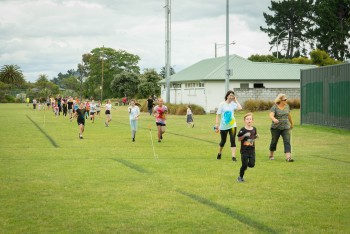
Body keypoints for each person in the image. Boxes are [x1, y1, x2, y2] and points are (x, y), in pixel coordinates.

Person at [215, 90, 242, 161]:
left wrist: (236, 100)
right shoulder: (222, 104)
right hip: (223, 126)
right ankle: (219, 153)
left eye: (232, 95)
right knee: (223, 141)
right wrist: (217, 125)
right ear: (227, 96)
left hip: (232, 125)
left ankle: (233, 157)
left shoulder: (233, 104)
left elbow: (240, 108)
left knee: (233, 140)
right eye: (230, 95)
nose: (231, 96)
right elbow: (218, 115)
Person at [269, 93, 294, 162]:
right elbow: (271, 115)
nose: (286, 101)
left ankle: (288, 158)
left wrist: (291, 123)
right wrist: (274, 119)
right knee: (274, 141)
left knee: (287, 141)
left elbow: (288, 115)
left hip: (286, 127)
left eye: (286, 99)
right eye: (284, 100)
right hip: (275, 128)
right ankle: (271, 154)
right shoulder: (275, 107)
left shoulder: (287, 106)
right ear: (280, 100)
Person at [237, 113, 258, 182]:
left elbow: (253, 137)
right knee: (244, 165)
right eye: (247, 119)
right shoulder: (242, 129)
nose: (249, 120)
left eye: (250, 119)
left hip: (252, 150)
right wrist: (244, 135)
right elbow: (239, 139)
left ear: (252, 120)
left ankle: (247, 165)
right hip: (244, 151)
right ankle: (240, 177)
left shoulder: (254, 129)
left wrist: (256, 137)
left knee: (252, 164)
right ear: (244, 121)